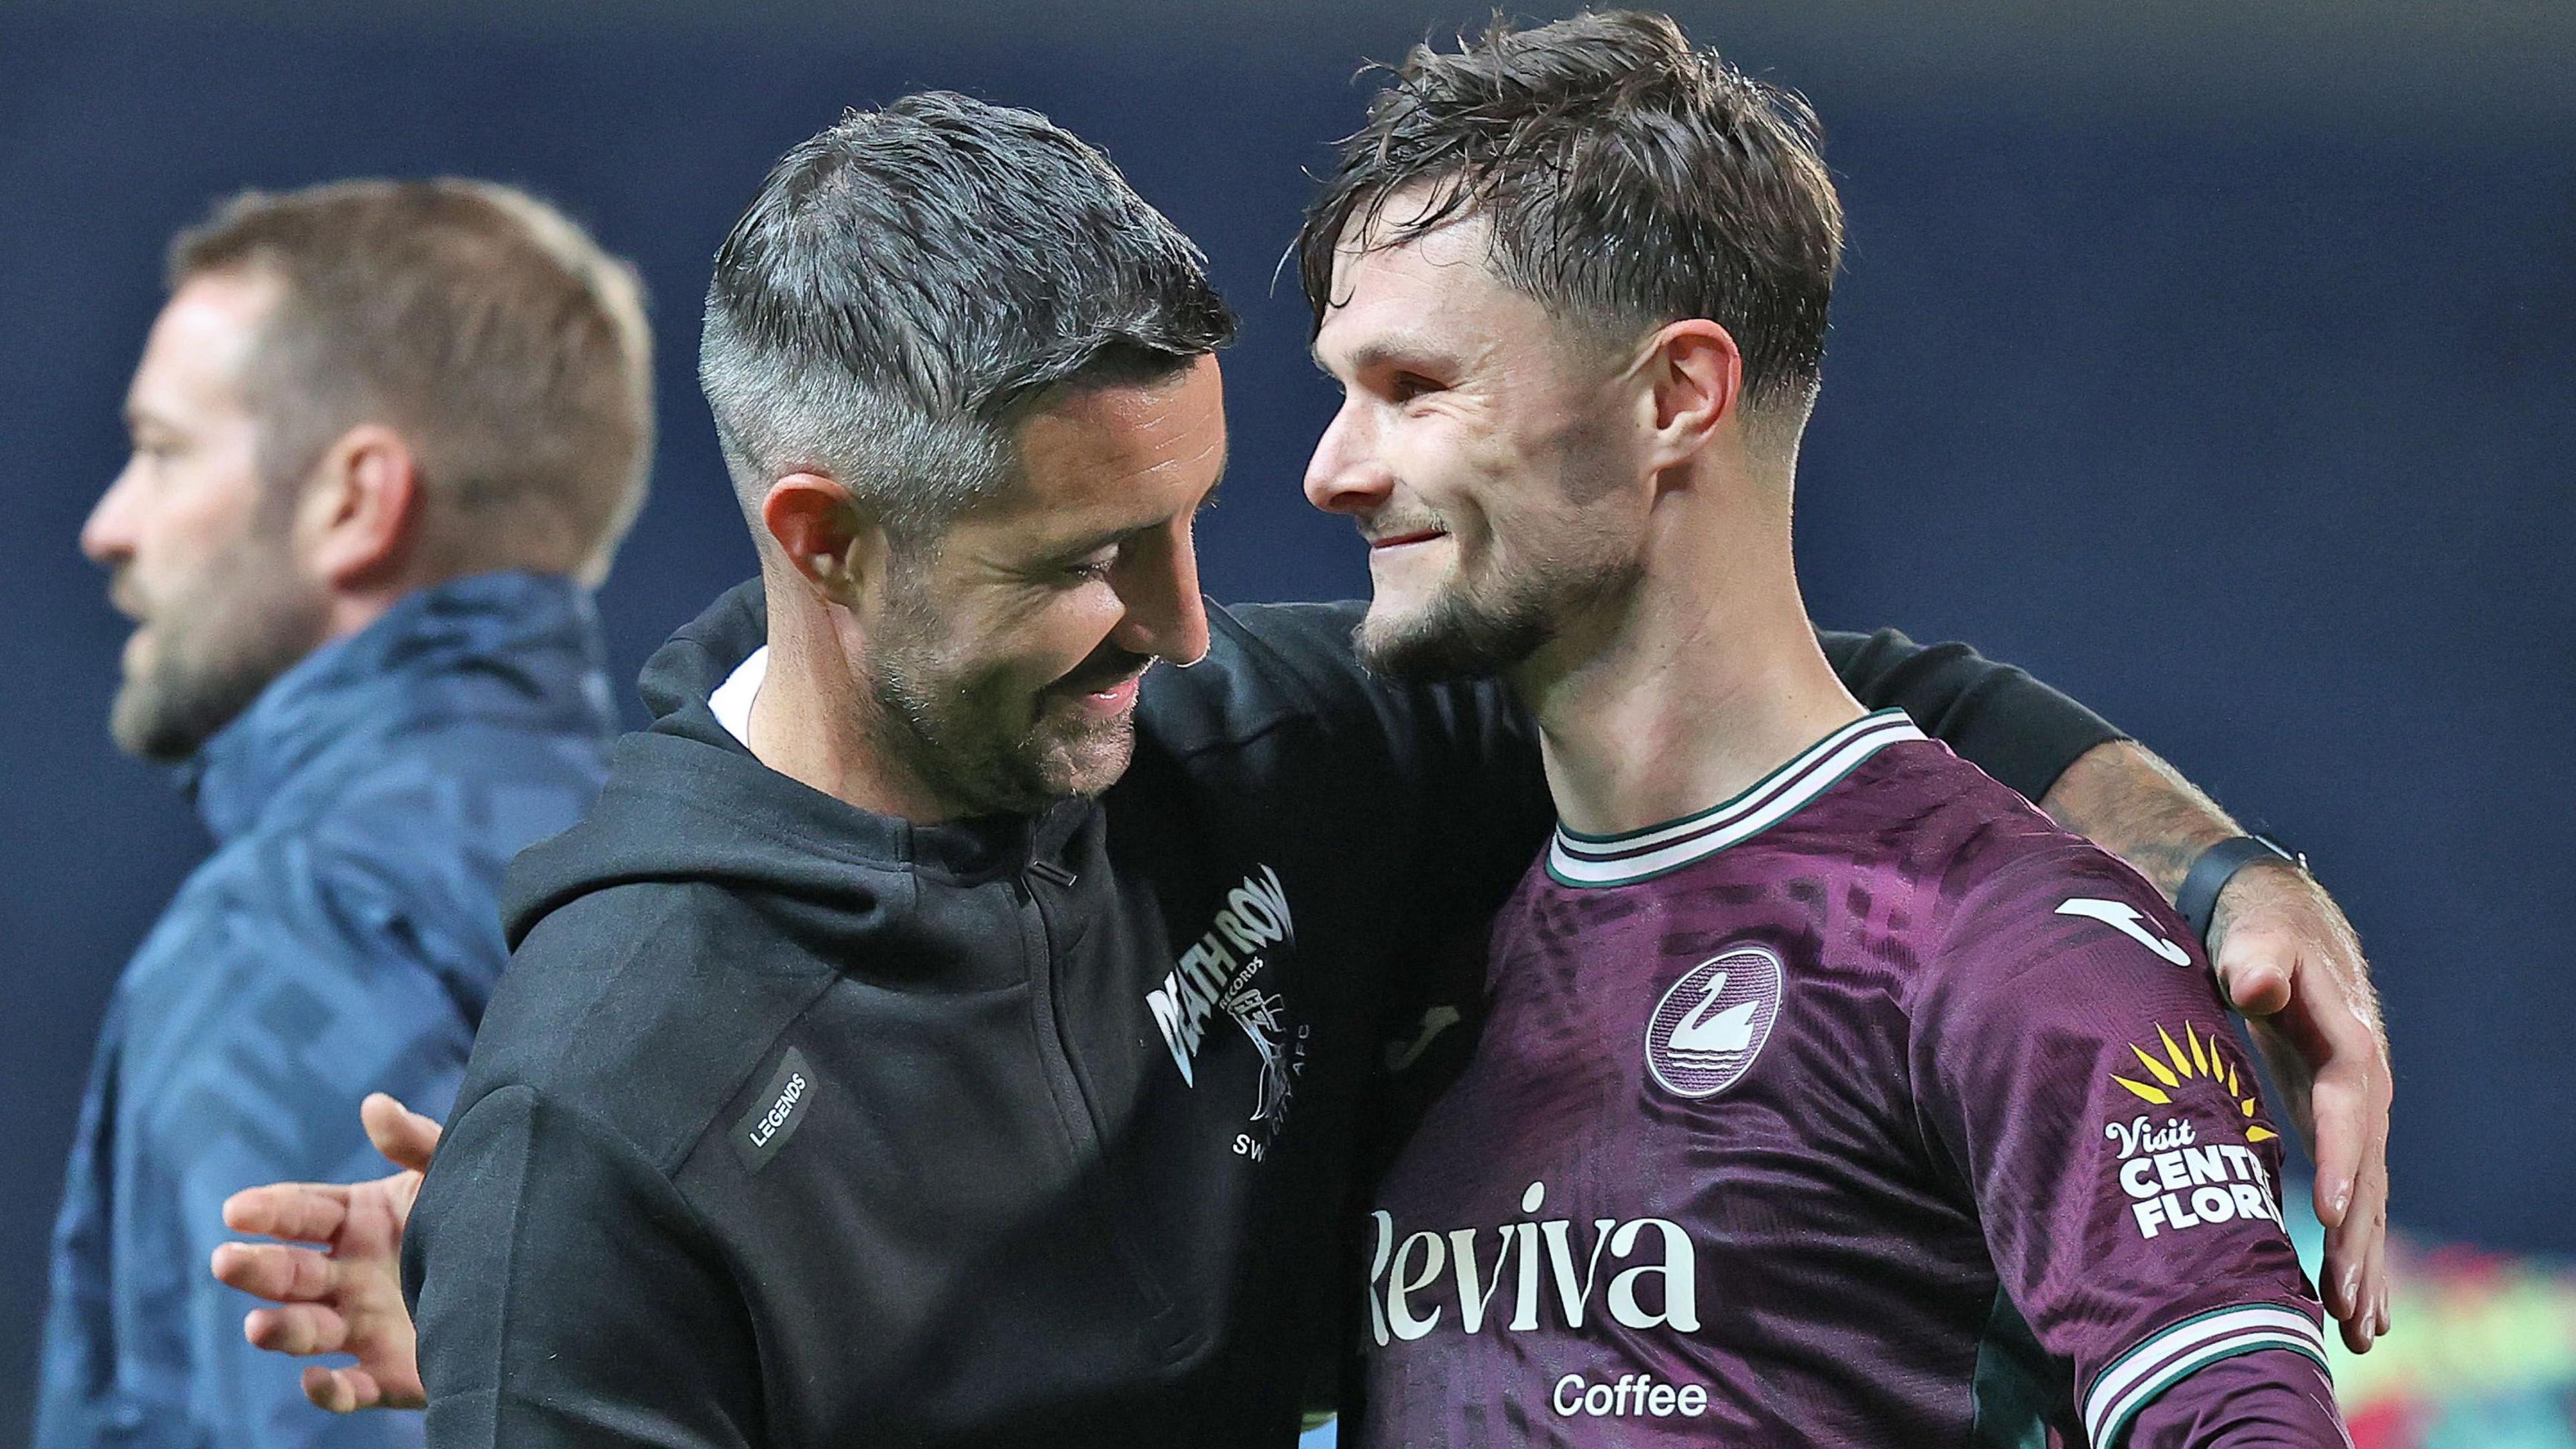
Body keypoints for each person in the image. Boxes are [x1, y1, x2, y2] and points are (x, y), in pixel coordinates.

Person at [211, 95, 2385, 1446]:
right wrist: (579, 1284)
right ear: (822, 539)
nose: (1184, 617)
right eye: (1087, 560)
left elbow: (1859, 706)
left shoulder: (1267, 746)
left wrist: (2216, 877)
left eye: (1196, 514)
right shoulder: (613, 1112)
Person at [1300, 14, 2357, 1445]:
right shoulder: (1425, 940)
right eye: (1342, 393)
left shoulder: (2010, 943)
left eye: (1414, 390)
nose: (1333, 471)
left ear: (1678, 395)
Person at [38, 179, 653, 1449]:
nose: (109, 527)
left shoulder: (295, 932)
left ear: (355, 501)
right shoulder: (678, 860)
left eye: (162, 451)